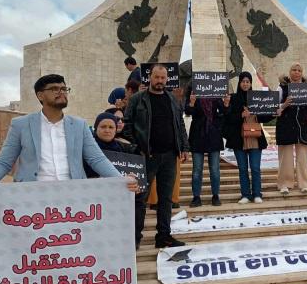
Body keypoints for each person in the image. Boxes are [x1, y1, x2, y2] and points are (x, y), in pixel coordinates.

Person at [0, 74, 138, 284]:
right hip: (32, 208)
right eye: (55, 89)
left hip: (71, 207)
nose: (61, 92)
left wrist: (120, 181)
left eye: (64, 88)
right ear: (40, 95)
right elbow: (3, 162)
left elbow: (95, 158)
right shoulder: (21, 125)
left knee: (68, 266)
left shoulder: (78, 125)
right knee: (37, 266)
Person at [123, 64, 189, 249]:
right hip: (146, 157)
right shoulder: (137, 99)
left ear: (167, 79)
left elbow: (180, 124)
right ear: (150, 77)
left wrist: (184, 147)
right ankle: (134, 238)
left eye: (163, 78)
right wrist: (137, 148)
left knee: (166, 199)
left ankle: (164, 236)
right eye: (156, 77)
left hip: (169, 156)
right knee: (140, 199)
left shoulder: (172, 99)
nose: (160, 81)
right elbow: (127, 125)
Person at [223, 71, 273, 204]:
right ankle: (245, 194)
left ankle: (257, 194)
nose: (245, 84)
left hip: (255, 137)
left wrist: (274, 113)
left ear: (251, 83)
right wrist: (241, 115)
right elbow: (227, 118)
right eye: (243, 81)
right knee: (243, 169)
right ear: (239, 83)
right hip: (238, 139)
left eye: (248, 82)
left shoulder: (256, 98)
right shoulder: (233, 98)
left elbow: (264, 116)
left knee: (255, 168)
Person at [275, 63, 307, 195]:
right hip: (285, 125)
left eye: (299, 70)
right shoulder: (281, 87)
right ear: (290, 72)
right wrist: (284, 104)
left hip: (302, 126)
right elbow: (274, 107)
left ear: (302, 73)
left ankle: (303, 184)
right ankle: (284, 184)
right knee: (285, 158)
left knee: (302, 157)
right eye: (294, 70)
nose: (296, 72)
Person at [185, 87, 228, 207]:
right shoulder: (193, 90)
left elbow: (225, 112)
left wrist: (226, 103)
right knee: (197, 170)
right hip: (197, 136)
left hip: (213, 135)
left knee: (214, 170)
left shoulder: (216, 92)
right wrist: (192, 102)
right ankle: (196, 197)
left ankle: (215, 195)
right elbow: (187, 111)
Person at [85, 112, 136, 178]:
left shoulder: (124, 149)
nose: (107, 130)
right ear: (96, 128)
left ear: (115, 130)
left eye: (111, 127)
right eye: (103, 127)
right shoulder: (87, 147)